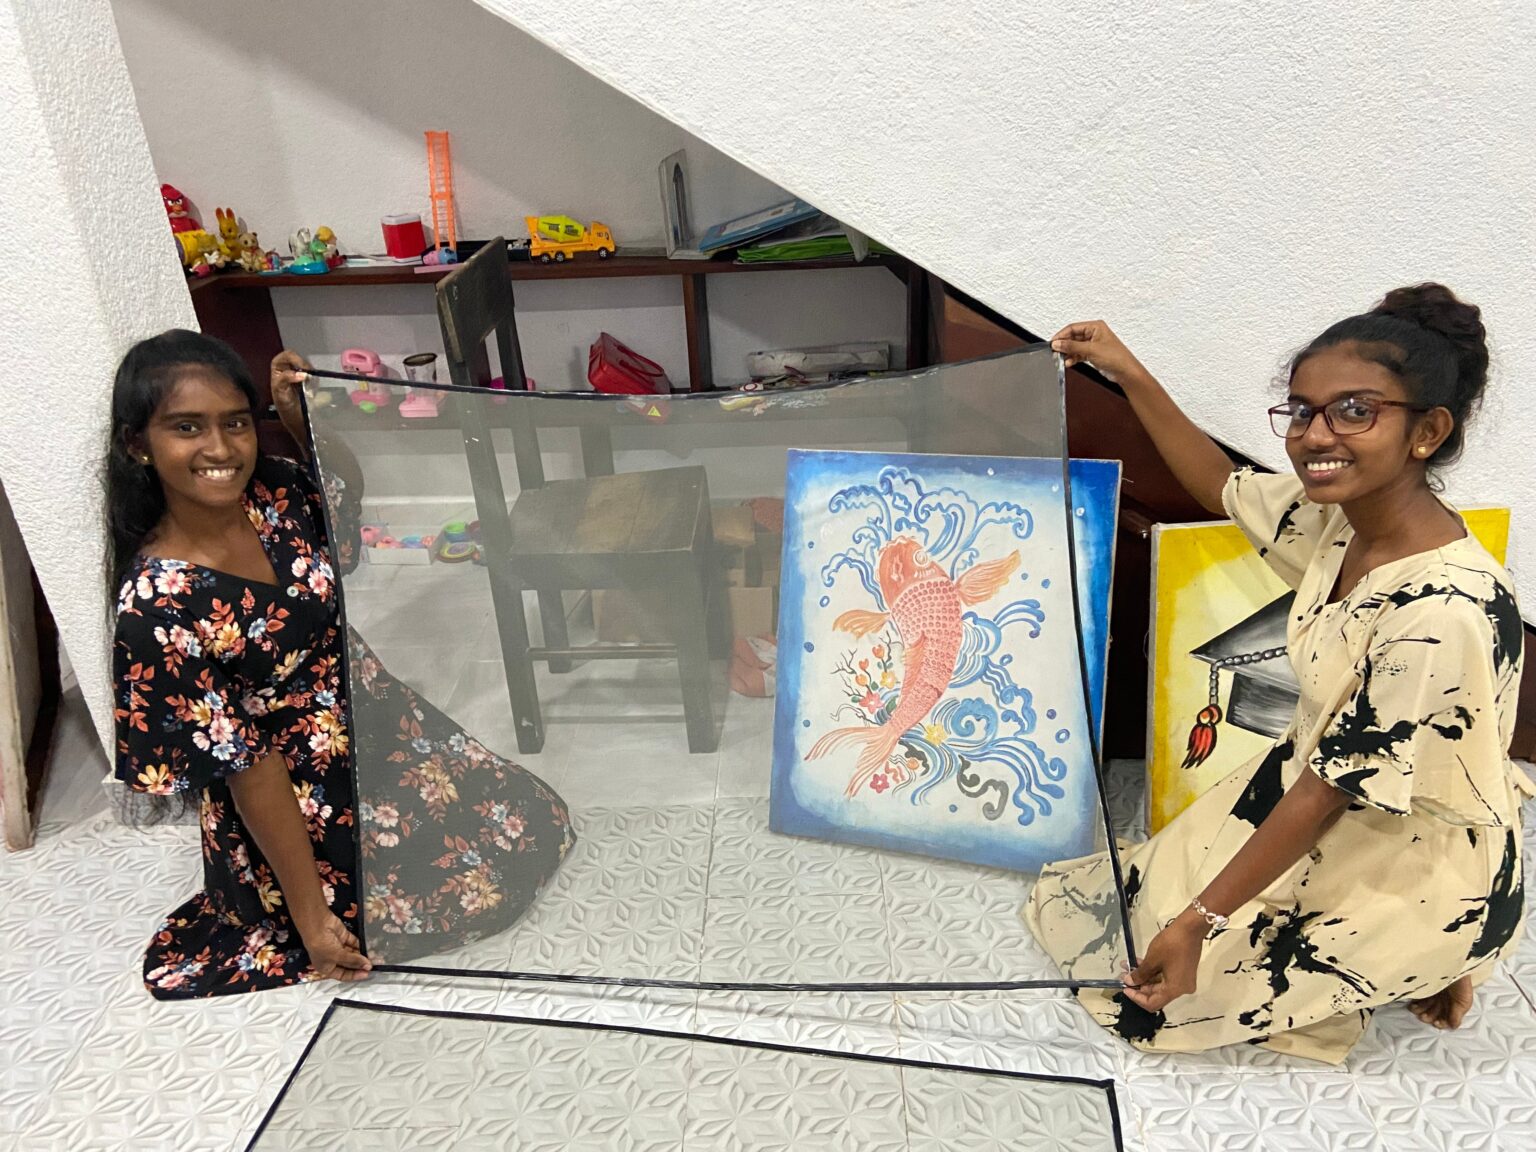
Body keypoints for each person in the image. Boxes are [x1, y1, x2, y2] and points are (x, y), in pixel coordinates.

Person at [1026, 284, 1531, 1063]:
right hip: (1317, 791)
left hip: (1410, 852)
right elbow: (1220, 484)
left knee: (1150, 1002)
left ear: (1428, 431)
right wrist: (1127, 370)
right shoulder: (1344, 523)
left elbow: (1330, 791)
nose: (1314, 436)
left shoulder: (1441, 609)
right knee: (1107, 912)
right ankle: (1401, 961)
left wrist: (1201, 923)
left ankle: (1438, 947)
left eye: (1355, 411)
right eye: (1302, 411)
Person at [107, 331, 574, 999]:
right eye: (187, 428)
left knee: (531, 823)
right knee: (441, 901)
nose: (220, 448)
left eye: (235, 423)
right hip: (293, 787)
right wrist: (311, 918)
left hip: (374, 717)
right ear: (138, 444)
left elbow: (340, 492)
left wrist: (300, 422)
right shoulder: (156, 606)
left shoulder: (271, 491)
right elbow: (248, 766)